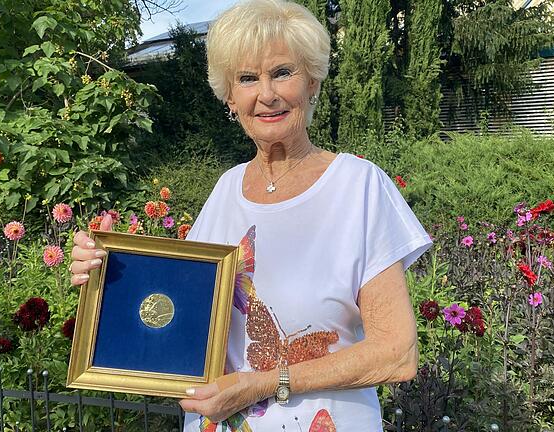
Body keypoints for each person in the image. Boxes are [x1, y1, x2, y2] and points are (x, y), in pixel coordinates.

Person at [69, 0, 432, 429]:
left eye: (283, 72)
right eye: (246, 79)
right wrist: (111, 271)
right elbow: (179, 317)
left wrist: (264, 383)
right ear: (229, 98)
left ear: (312, 81)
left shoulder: (359, 187)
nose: (267, 94)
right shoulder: (226, 190)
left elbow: (397, 352)